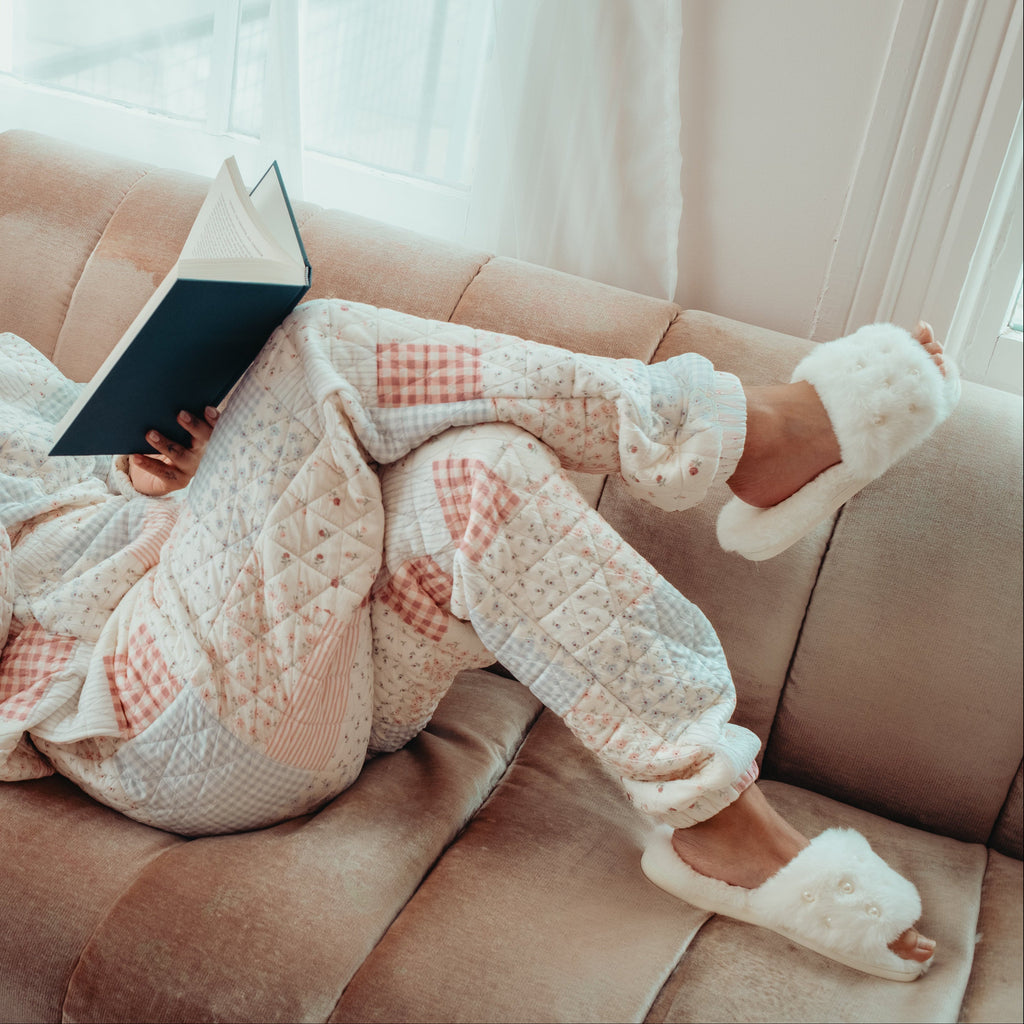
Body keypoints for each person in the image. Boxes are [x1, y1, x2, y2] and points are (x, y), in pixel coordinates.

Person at [0, 302, 957, 982]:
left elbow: (75, 506)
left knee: (479, 475)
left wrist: (185, 478)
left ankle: (708, 807)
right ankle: (746, 433)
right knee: (316, 342)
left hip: (298, 657)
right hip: (148, 715)